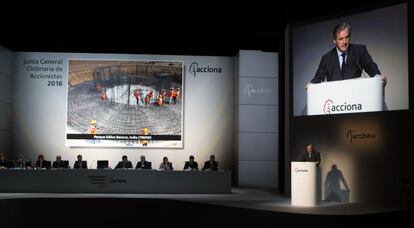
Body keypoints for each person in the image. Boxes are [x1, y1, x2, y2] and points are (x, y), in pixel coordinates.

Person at [307, 22, 386, 88]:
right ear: (334, 40)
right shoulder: (326, 58)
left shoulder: (359, 50)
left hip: (356, 98)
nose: (344, 42)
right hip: (336, 101)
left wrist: (378, 77)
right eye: (340, 39)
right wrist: (311, 85)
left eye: (347, 37)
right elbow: (317, 78)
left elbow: (370, 67)